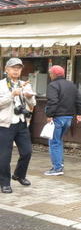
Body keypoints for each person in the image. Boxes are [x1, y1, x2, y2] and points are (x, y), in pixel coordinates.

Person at [0, 58, 36, 193]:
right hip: (5, 124)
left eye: (19, 68)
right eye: (13, 67)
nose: (16, 70)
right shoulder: (1, 85)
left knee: (27, 152)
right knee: (4, 156)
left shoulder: (25, 84)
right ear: (6, 70)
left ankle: (19, 175)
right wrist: (11, 95)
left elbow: (33, 104)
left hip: (21, 123)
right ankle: (4, 183)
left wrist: (28, 96)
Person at [44, 65, 81, 176]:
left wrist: (49, 115)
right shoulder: (71, 84)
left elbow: (53, 101)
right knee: (59, 141)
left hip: (57, 117)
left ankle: (57, 168)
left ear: (54, 74)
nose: (50, 75)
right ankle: (59, 165)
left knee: (54, 143)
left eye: (50, 73)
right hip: (68, 118)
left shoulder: (53, 85)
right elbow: (79, 100)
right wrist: (79, 113)